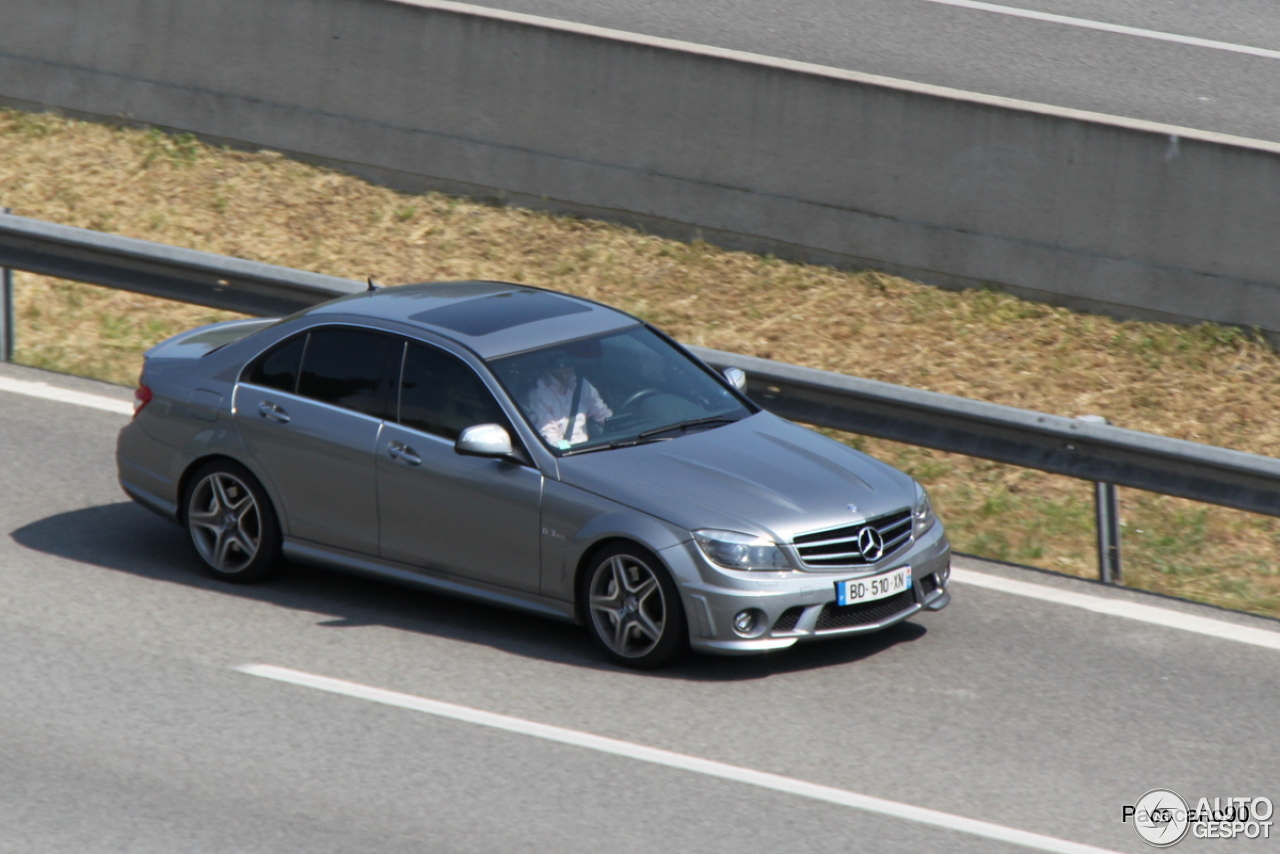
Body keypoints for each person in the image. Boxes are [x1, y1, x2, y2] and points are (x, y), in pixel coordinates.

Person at [527, 352, 612, 447]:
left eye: (571, 359)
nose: (570, 364)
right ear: (548, 363)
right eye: (562, 360)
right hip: (566, 453)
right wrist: (569, 449)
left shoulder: (582, 385)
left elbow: (604, 416)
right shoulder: (539, 394)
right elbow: (549, 437)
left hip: (589, 447)